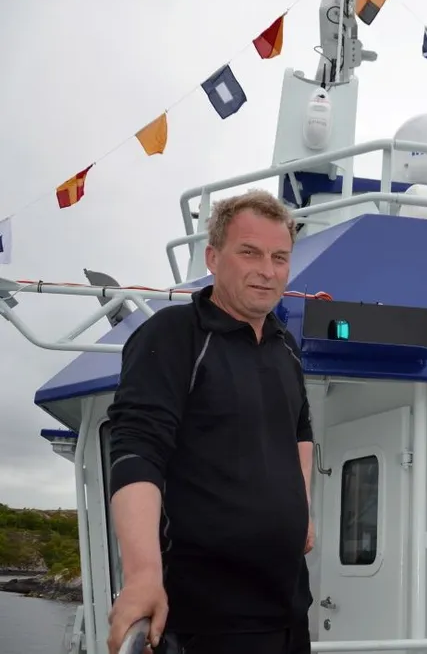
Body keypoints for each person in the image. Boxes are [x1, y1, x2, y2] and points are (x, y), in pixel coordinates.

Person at [104, 189, 316, 654]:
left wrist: (304, 508)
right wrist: (142, 575)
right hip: (206, 623)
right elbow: (137, 449)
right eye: (250, 253)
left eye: (280, 257)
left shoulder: (285, 346)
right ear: (213, 258)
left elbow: (301, 429)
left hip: (289, 612)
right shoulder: (174, 334)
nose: (267, 270)